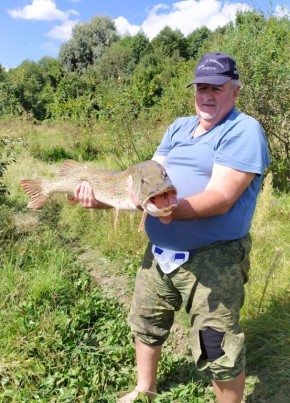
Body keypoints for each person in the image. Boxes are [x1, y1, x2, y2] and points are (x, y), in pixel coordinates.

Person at [74, 52, 270, 403]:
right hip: (159, 254)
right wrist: (102, 198)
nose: (207, 95)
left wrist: (166, 212)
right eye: (200, 88)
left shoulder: (244, 130)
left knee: (217, 345)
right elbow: (146, 179)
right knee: (146, 323)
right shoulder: (179, 127)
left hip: (214, 260)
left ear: (235, 91)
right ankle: (144, 388)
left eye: (216, 88)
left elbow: (223, 197)